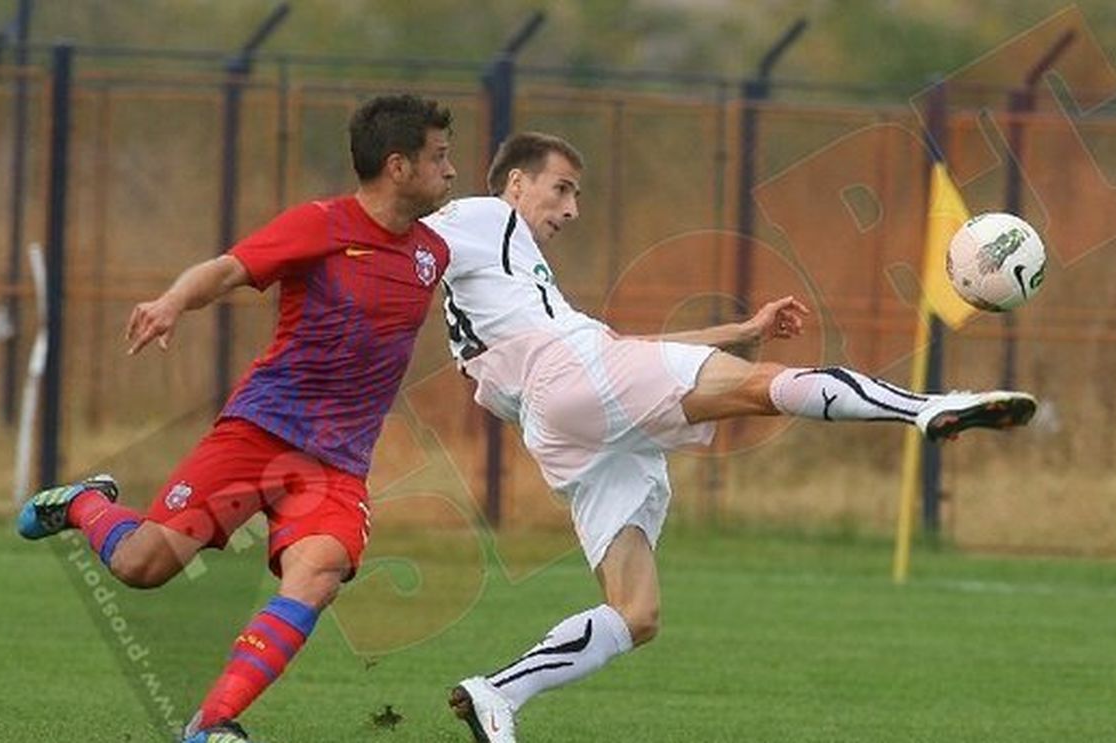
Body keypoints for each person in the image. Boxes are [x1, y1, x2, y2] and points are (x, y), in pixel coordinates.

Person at [424, 132, 1036, 742]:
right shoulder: (485, 215)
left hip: (563, 419)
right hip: (569, 379)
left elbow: (620, 355)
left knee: (636, 613)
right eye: (561, 189)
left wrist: (740, 329)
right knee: (763, 388)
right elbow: (407, 239)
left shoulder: (517, 283)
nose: (571, 209)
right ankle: (927, 408)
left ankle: (497, 693)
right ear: (514, 184)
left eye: (576, 194)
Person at [16, 93, 457, 743]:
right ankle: (85, 502)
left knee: (321, 571)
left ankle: (214, 722)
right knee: (143, 565)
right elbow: (226, 270)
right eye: (439, 156)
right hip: (260, 432)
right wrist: (171, 301)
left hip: (335, 464)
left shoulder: (433, 253)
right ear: (398, 166)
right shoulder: (321, 225)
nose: (451, 169)